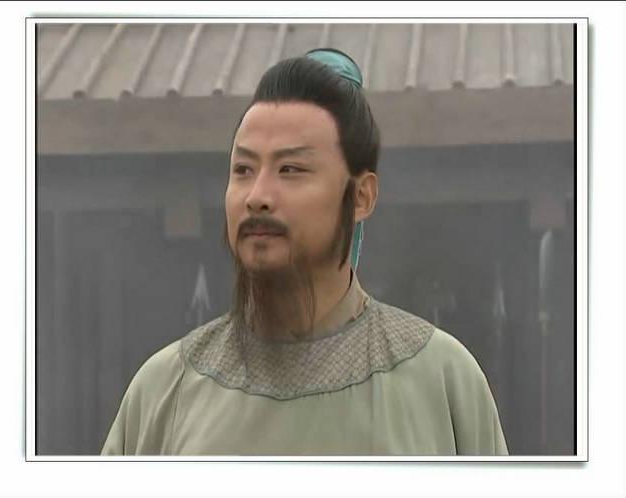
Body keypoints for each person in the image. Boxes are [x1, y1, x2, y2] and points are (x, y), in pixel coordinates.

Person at [101, 48, 508, 456]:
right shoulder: (164, 390)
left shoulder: (442, 380)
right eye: (243, 170)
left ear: (361, 196)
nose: (257, 196)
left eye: (290, 169)